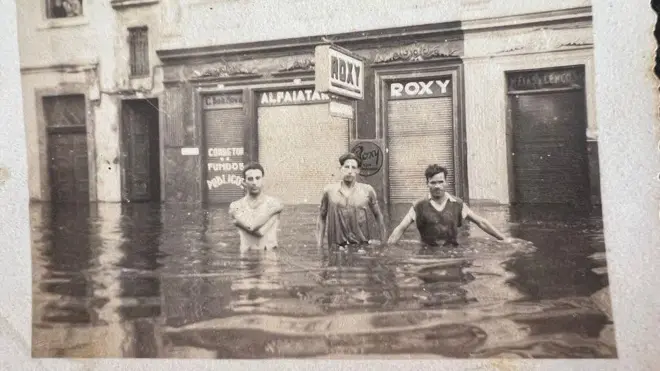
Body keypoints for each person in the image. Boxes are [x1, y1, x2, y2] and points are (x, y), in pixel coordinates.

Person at [387, 164, 511, 247]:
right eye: (433, 182)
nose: (437, 186)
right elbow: (400, 228)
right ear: (427, 183)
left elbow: (481, 222)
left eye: (440, 182)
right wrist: (387, 248)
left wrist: (504, 239)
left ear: (446, 182)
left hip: (452, 253)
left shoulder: (457, 204)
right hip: (427, 255)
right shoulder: (419, 205)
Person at [316, 152, 388, 251]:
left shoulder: (367, 190)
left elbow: (379, 216)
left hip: (361, 248)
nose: (349, 171)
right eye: (346, 167)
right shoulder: (329, 191)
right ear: (340, 168)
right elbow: (321, 217)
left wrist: (383, 244)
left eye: (353, 167)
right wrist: (319, 246)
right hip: (336, 248)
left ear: (358, 170)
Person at [229, 162, 284, 251]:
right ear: (244, 182)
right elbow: (252, 227)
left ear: (263, 180)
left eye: (258, 178)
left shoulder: (274, 203)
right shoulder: (236, 205)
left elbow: (260, 232)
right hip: (246, 258)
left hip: (269, 258)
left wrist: (238, 222)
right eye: (250, 179)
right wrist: (272, 211)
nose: (254, 182)